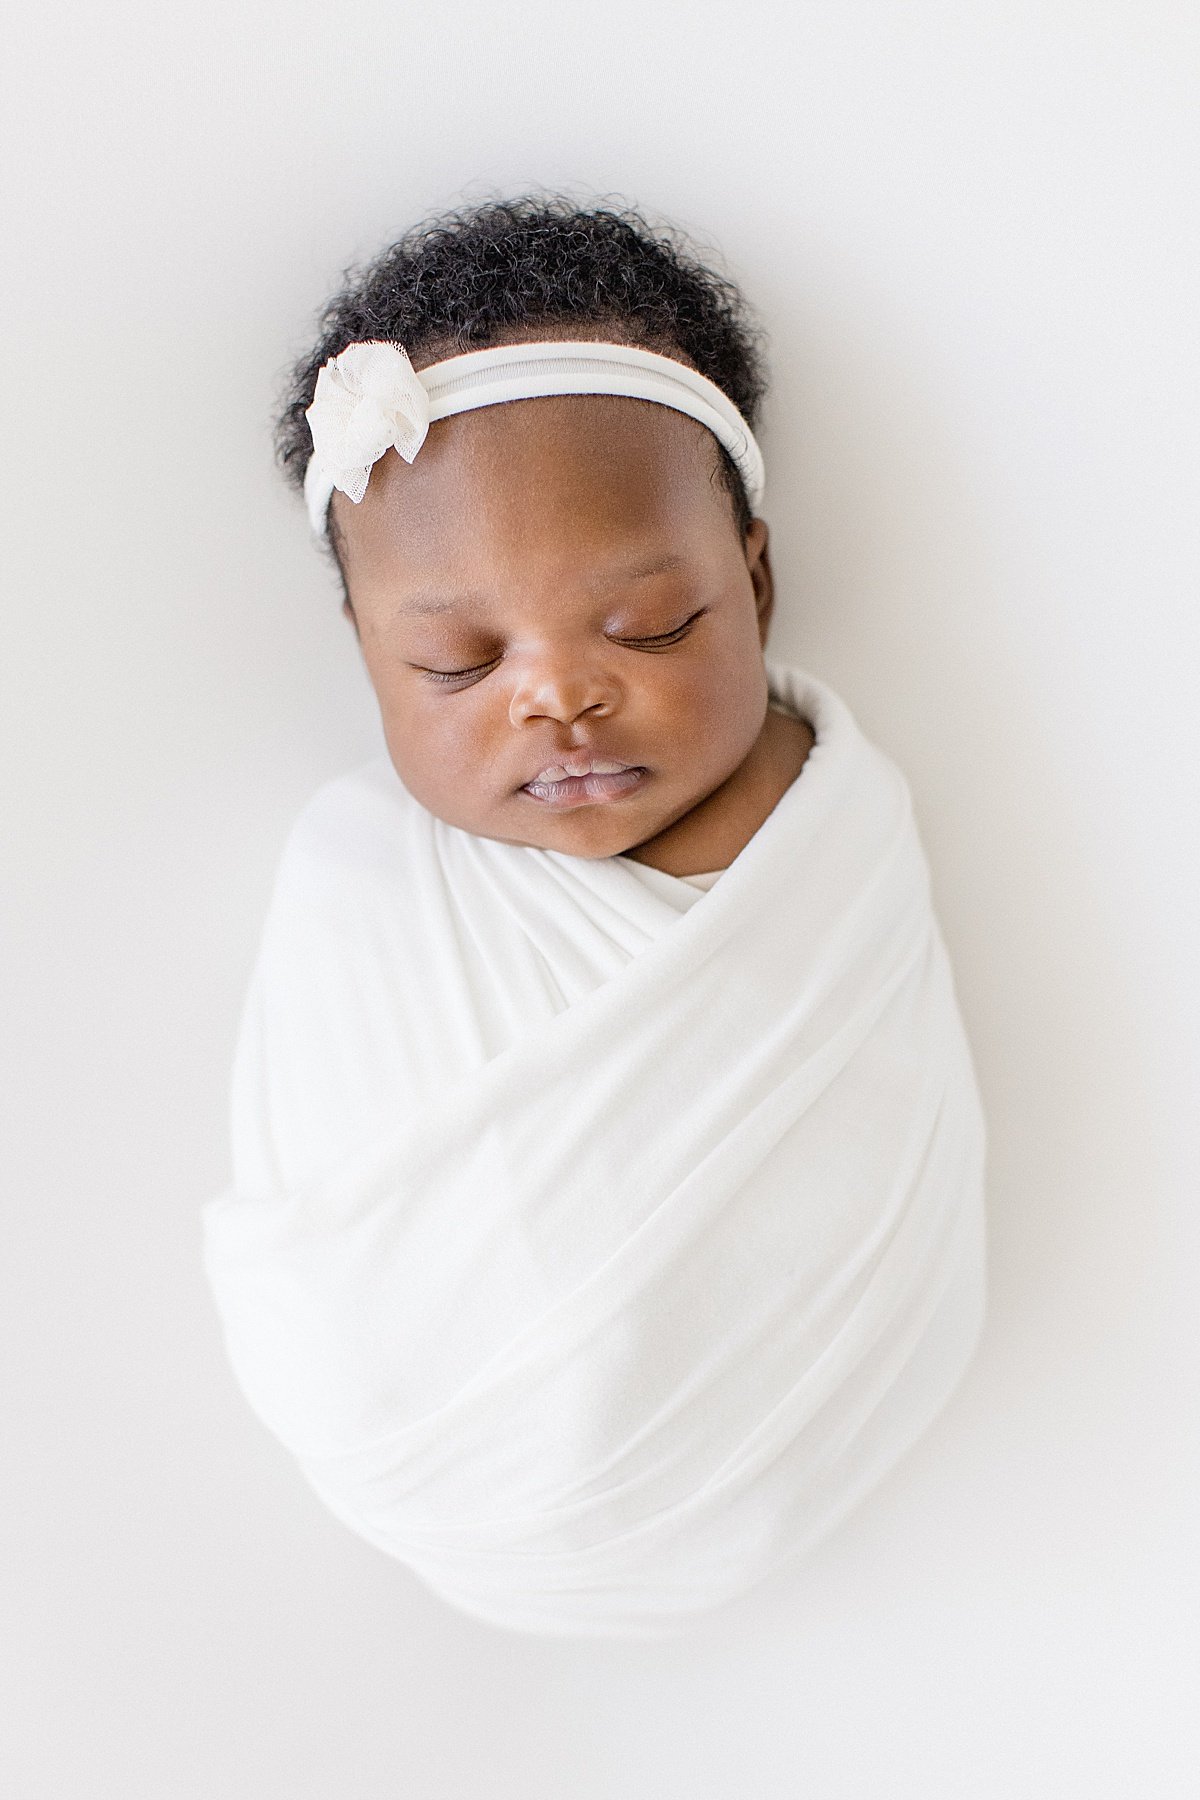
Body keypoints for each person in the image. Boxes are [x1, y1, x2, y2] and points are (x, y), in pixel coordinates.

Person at [202, 196, 987, 1641]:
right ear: (367, 656)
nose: (557, 694)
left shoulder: (820, 833)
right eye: (452, 661)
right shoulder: (361, 876)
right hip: (430, 1457)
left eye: (649, 628)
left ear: (754, 578)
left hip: (792, 1422)